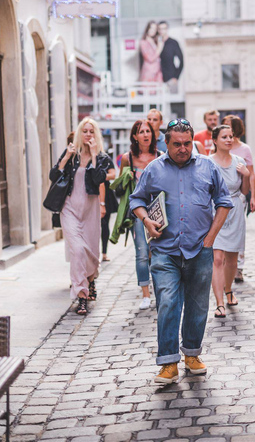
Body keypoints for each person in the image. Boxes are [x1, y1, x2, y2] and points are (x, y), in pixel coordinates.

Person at [129, 119, 232, 384]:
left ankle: (192, 354)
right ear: (166, 143)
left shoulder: (207, 167)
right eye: (177, 144)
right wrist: (146, 221)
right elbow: (136, 200)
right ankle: (168, 363)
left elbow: (223, 202)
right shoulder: (153, 170)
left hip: (199, 249)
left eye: (187, 144)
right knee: (168, 302)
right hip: (165, 250)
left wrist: (210, 238)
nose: (183, 149)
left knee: (198, 306)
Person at [50, 117, 112, 315]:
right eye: (84, 131)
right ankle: (82, 295)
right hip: (69, 207)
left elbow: (98, 179)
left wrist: (94, 156)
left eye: (91, 131)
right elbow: (53, 175)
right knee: (77, 250)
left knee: (91, 251)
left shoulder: (101, 156)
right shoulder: (72, 154)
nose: (88, 134)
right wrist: (66, 157)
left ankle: (91, 279)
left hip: (90, 210)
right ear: (79, 133)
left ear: (96, 135)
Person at [208, 125, 250, 318]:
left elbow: (244, 192)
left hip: (235, 210)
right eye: (224, 137)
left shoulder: (239, 162)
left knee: (232, 259)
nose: (228, 140)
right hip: (214, 210)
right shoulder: (207, 163)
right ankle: (219, 303)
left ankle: (228, 290)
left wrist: (246, 176)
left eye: (231, 137)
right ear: (215, 140)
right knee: (217, 258)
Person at [119, 120, 162, 309]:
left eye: (148, 131)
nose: (145, 134)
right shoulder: (128, 158)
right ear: (135, 136)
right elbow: (121, 187)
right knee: (142, 253)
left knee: (159, 252)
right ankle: (145, 293)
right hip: (139, 211)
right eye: (141, 132)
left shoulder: (160, 156)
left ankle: (161, 289)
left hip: (158, 210)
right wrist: (126, 177)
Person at [221, 115, 255, 283]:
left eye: (229, 126)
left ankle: (238, 267)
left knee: (237, 231)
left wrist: (252, 197)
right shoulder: (219, 148)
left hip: (239, 195)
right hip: (221, 197)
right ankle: (223, 264)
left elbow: (251, 175)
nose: (227, 130)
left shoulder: (244, 150)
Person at [100, 149, 118, 262]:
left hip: (106, 194)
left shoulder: (105, 158)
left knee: (105, 225)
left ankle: (104, 252)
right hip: (89, 192)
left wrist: (97, 176)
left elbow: (113, 174)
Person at [158, 21, 184, 94]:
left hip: (171, 78)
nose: (162, 31)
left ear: (167, 29)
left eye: (163, 29)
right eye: (160, 29)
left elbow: (181, 60)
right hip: (158, 78)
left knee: (173, 100)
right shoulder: (157, 43)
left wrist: (176, 77)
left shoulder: (173, 43)